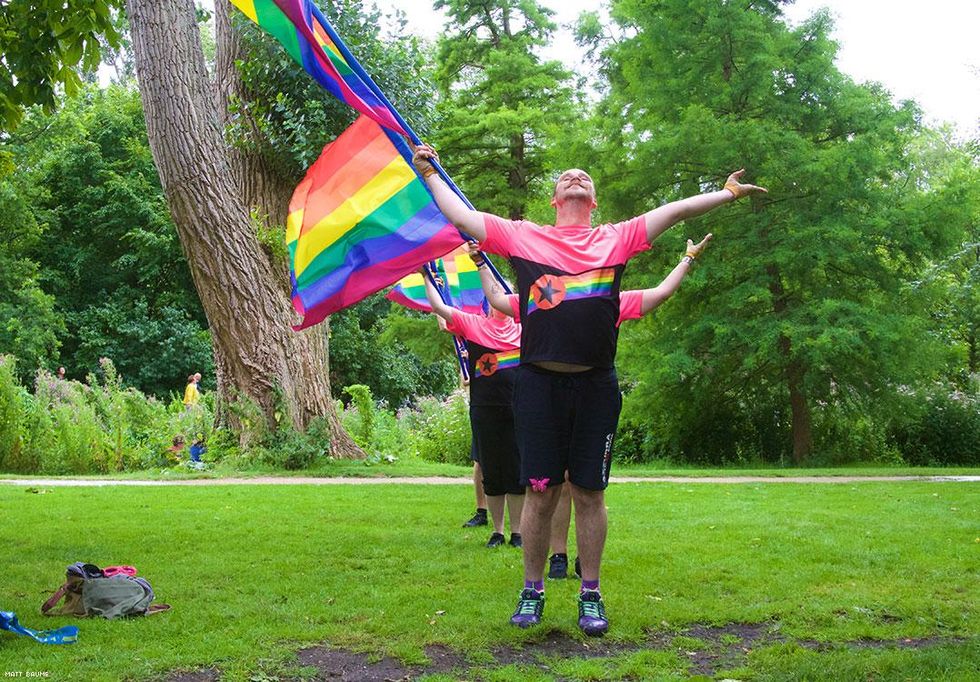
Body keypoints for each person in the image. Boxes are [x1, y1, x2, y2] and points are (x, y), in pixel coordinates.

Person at [413, 143, 765, 635]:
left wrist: (726, 195)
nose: (575, 176)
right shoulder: (523, 236)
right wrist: (429, 171)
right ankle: (532, 590)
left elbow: (677, 210)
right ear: (555, 199)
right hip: (538, 386)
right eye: (566, 176)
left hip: (596, 386)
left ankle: (591, 593)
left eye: (584, 176)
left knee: (590, 494)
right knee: (540, 492)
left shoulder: (616, 238)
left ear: (593, 200)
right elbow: (463, 217)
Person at [476, 236, 715, 580]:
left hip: (592, 397)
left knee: (584, 489)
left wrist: (687, 259)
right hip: (545, 397)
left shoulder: (611, 299)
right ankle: (555, 559)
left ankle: (585, 572)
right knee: (548, 488)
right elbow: (498, 300)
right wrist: (481, 263)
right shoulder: (542, 294)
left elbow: (660, 293)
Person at [422, 261, 525, 548]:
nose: (499, 300)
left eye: (504, 294)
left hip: (519, 409)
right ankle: (498, 531)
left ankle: (518, 532)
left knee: (517, 471)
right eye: (494, 294)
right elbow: (440, 308)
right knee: (491, 471)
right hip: (485, 410)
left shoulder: (524, 328)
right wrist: (426, 276)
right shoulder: (474, 324)